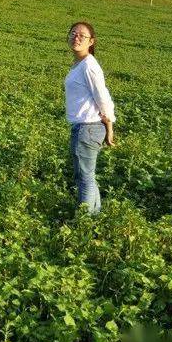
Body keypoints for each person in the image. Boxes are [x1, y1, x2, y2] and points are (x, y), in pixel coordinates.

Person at [64, 21, 115, 214]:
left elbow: (102, 96)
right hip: (87, 127)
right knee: (88, 176)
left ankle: (83, 223)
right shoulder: (81, 64)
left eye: (82, 36)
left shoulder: (89, 66)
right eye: (73, 33)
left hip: (88, 128)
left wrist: (109, 124)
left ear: (91, 41)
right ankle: (95, 215)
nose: (76, 38)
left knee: (84, 178)